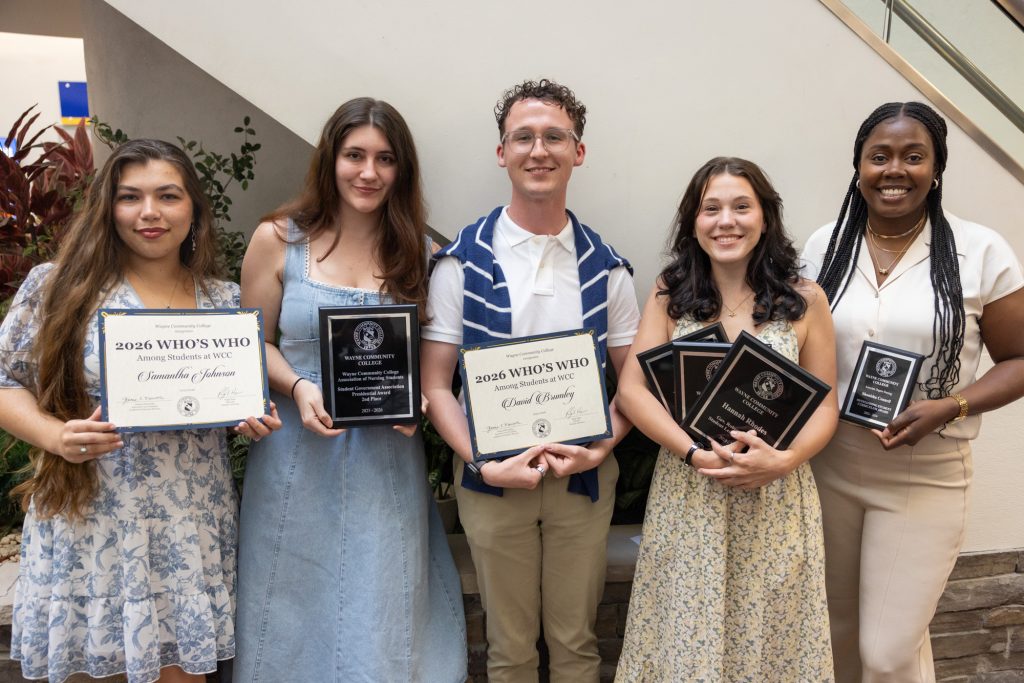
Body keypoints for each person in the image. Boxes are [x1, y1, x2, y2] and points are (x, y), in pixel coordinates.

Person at [0, 139, 280, 683]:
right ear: (108, 207)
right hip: (91, 522)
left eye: (168, 196)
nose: (149, 213)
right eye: (130, 197)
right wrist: (55, 436)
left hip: (187, 530)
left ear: (194, 209)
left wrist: (251, 418)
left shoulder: (223, 302)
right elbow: (4, 380)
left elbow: (233, 397)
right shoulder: (59, 287)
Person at [234, 98, 467, 682]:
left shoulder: (424, 252)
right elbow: (249, 343)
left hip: (384, 456)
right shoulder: (277, 240)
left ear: (402, 170)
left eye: (385, 159)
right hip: (295, 453)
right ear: (329, 160)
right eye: (354, 155)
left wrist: (417, 398)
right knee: (289, 600)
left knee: (382, 597)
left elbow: (430, 361)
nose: (368, 172)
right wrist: (298, 383)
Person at [421, 78, 641, 683]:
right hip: (492, 481)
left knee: (576, 644)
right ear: (502, 152)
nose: (538, 150)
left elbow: (634, 387)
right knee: (509, 650)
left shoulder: (609, 268)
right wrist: (481, 462)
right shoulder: (459, 264)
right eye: (524, 137)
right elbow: (437, 385)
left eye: (554, 137)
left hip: (583, 479)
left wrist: (601, 447)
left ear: (578, 151)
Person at [803, 102, 1024, 682]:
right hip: (829, 466)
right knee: (837, 637)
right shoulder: (825, 245)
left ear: (936, 167)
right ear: (858, 167)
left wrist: (954, 404)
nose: (894, 169)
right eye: (879, 156)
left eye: (912, 156)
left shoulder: (981, 251)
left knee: (887, 650)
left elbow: (1021, 359)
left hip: (924, 474)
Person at [614, 157, 838, 681]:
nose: (726, 221)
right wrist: (692, 453)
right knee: (685, 640)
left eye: (742, 207)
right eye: (711, 208)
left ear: (766, 217)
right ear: (694, 220)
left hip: (776, 499)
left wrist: (782, 462)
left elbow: (825, 404)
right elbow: (632, 390)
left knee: (774, 643)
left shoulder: (805, 299)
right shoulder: (671, 294)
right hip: (691, 492)